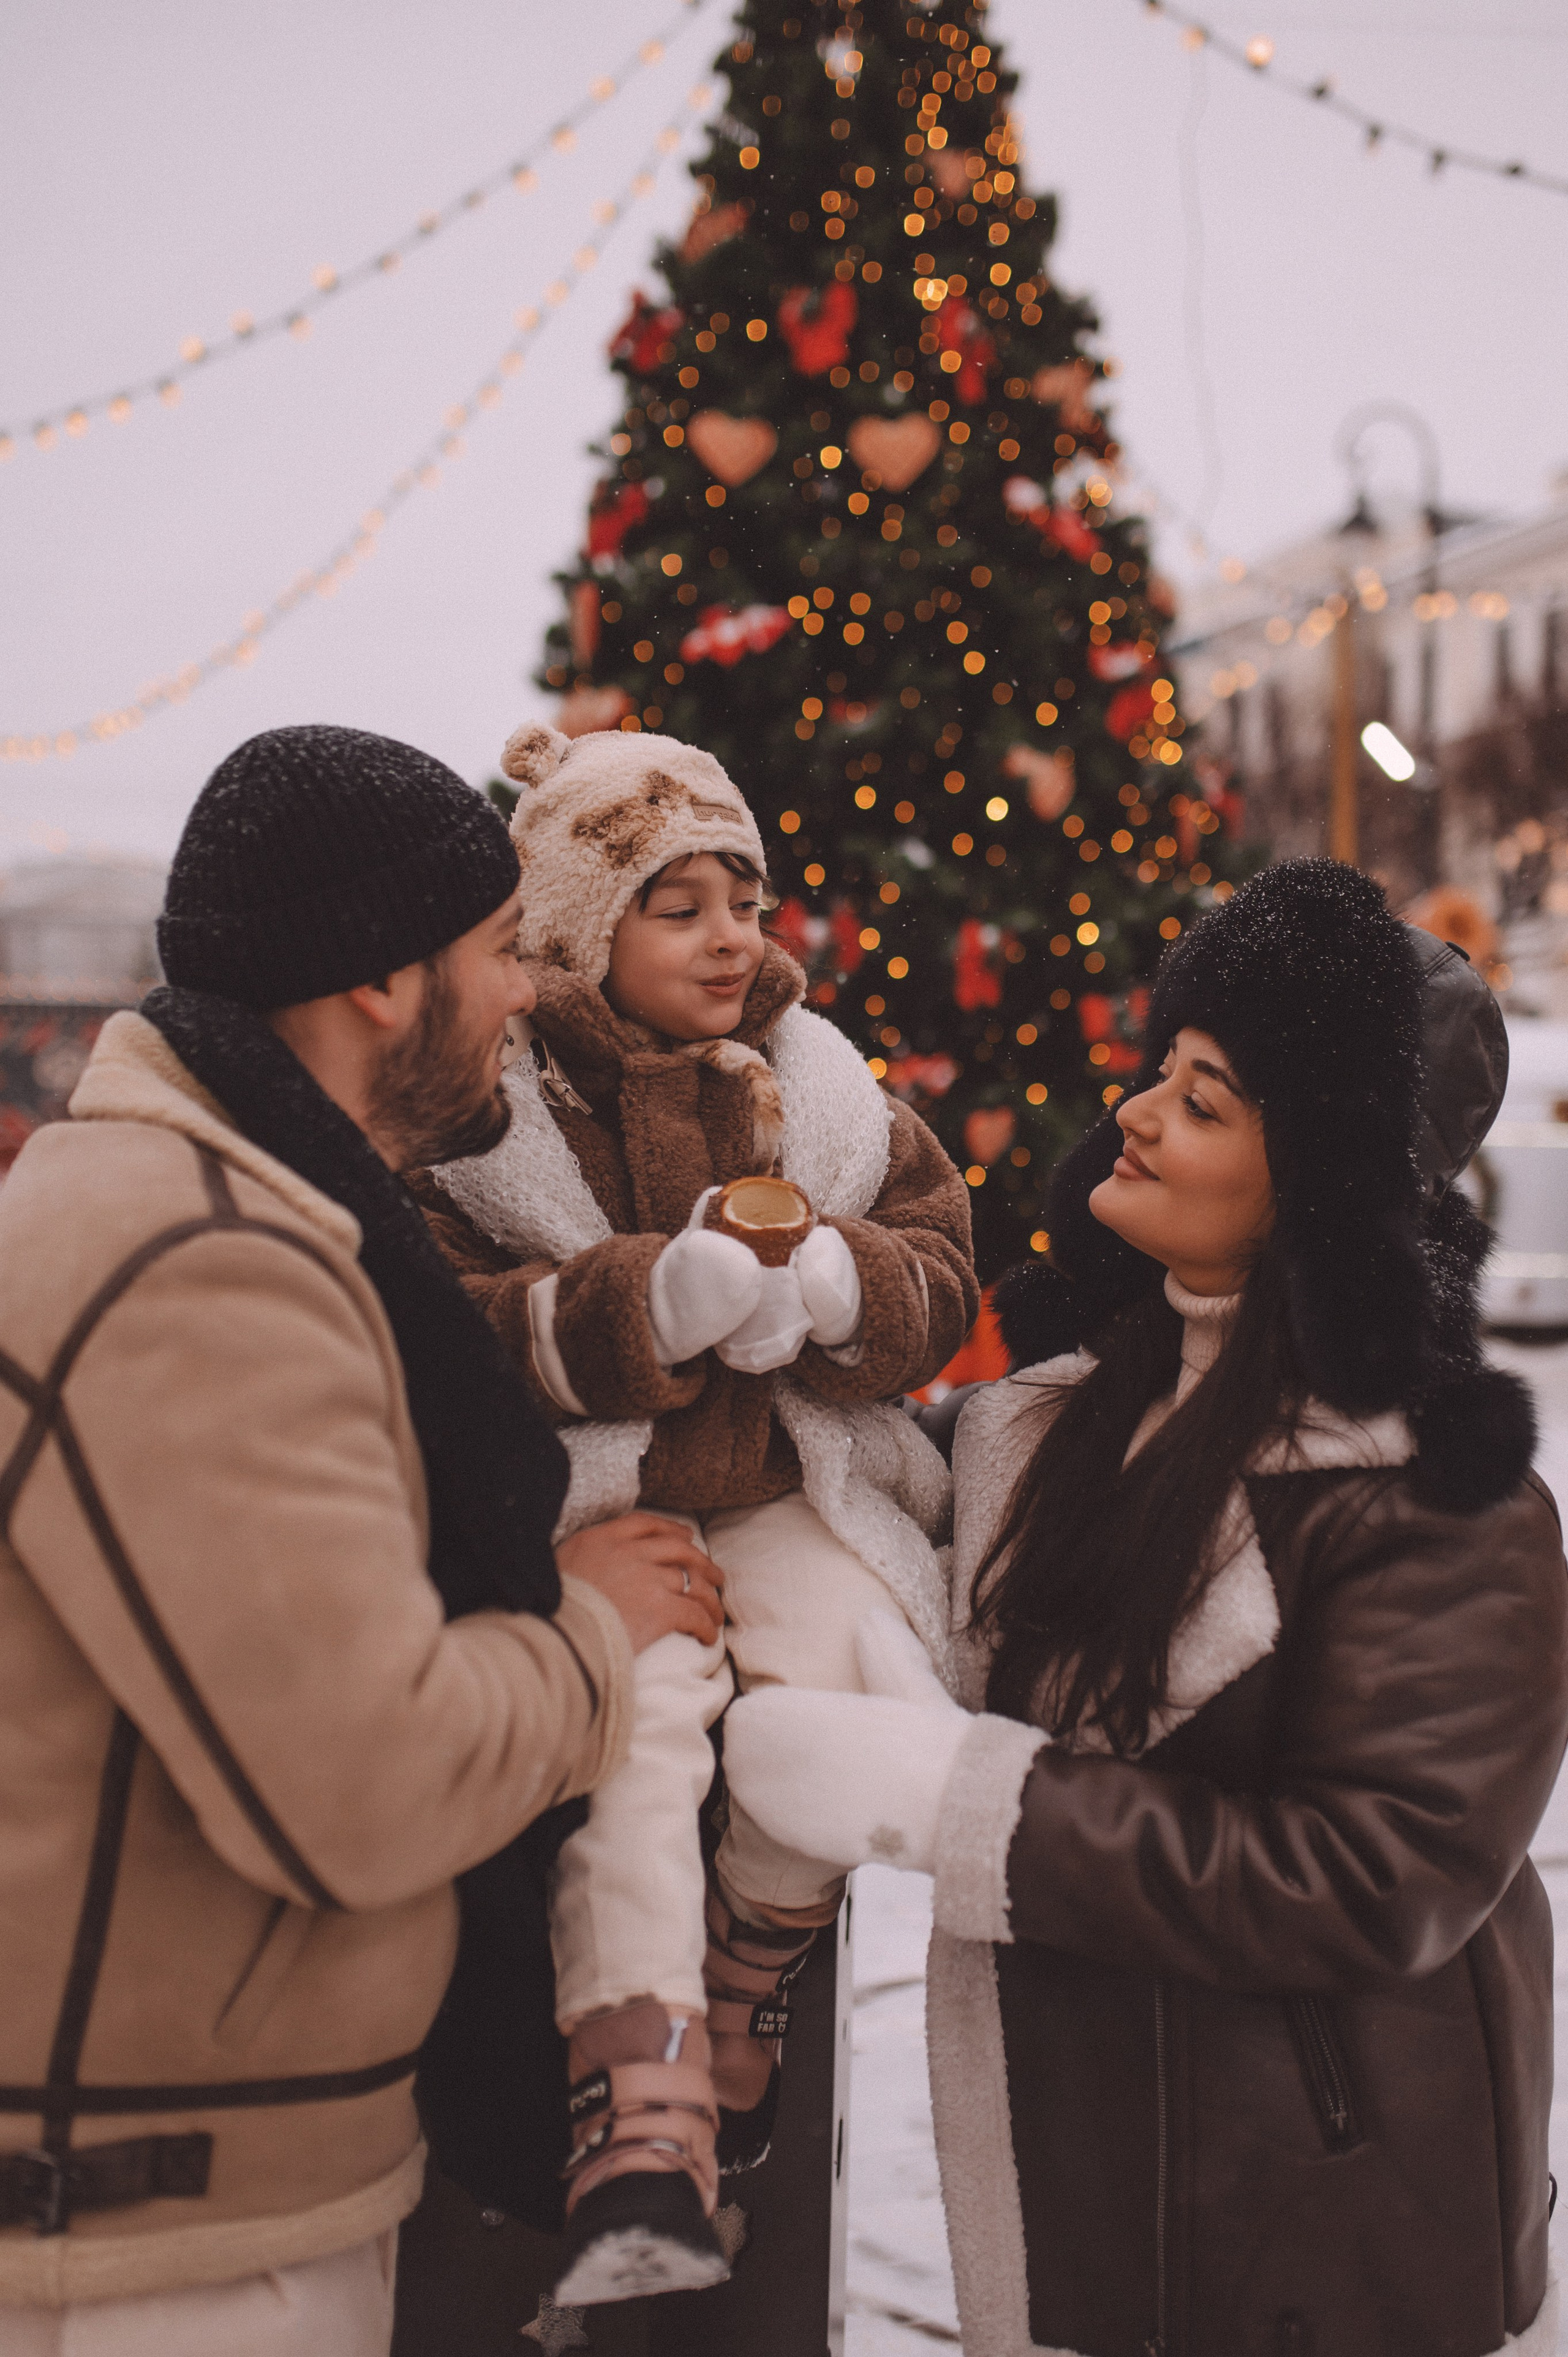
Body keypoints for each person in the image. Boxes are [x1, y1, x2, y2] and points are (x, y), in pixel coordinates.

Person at [724, 859, 1568, 2357]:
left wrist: (960, 1801)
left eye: (1203, 1098)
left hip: (1327, 2234)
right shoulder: (1043, 1428)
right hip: (1089, 2197)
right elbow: (850, 1519)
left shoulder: (1434, 1498)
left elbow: (1375, 1877)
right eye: (1157, 1072)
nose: (1134, 1111)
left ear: (1310, 1176)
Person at [0, 726, 721, 2357]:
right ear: (386, 983)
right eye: (496, 954)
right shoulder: (199, 1260)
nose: (529, 992)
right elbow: (361, 1778)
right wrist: (594, 1637)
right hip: (157, 2243)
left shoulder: (221, 1206)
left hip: (195, 2180)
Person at [413, 720, 978, 2301]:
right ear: (586, 929)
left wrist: (837, 1281)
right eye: (683, 903)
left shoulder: (819, 1081)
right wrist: (637, 1305)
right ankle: (639, 2080)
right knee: (640, 1740)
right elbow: (456, 1318)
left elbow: (937, 1261)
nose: (737, 933)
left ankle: (747, 1973)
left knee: (843, 1670)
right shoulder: (501, 1109)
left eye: (747, 894)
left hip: (792, 1479)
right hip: (617, 1503)